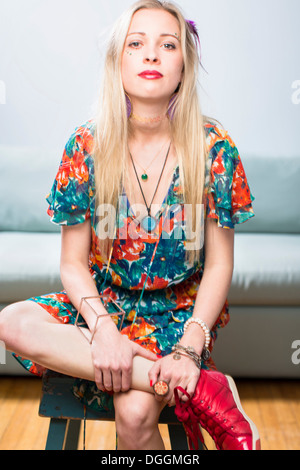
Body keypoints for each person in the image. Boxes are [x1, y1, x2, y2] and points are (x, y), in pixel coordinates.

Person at [0, 0, 260, 450]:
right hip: (103, 303)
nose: (152, 54)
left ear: (185, 66)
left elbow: (219, 267)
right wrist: (103, 331)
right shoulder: (85, 145)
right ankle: (201, 390)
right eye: (136, 44)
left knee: (135, 412)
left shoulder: (215, 149)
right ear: (116, 63)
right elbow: (72, 263)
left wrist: (190, 347)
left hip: (180, 314)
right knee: (12, 322)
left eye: (168, 44)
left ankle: (185, 374)